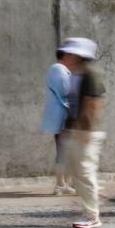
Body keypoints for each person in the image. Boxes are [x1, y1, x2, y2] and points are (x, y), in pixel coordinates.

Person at [60, 37, 106, 228]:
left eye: (69, 53)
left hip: (85, 132)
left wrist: (84, 129)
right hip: (76, 130)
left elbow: (93, 104)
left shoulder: (90, 74)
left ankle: (92, 216)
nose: (65, 56)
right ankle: (94, 201)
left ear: (79, 55)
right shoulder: (76, 74)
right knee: (77, 173)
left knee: (85, 173)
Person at [41, 49, 78, 196]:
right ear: (65, 56)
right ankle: (59, 184)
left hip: (61, 113)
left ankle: (63, 183)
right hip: (62, 114)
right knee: (63, 149)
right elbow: (65, 90)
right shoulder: (58, 69)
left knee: (64, 149)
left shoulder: (58, 69)